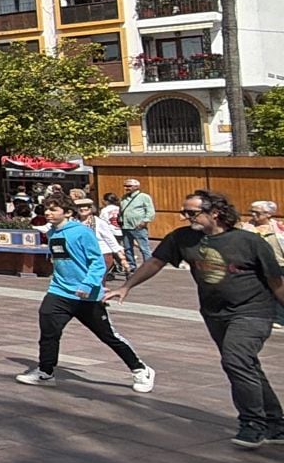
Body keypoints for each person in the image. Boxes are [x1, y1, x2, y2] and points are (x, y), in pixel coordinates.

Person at [109, 190, 284, 449]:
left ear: (215, 213)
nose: (185, 217)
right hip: (214, 313)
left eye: (192, 213)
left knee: (236, 360)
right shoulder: (184, 238)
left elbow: (275, 282)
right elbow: (155, 262)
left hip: (252, 311)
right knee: (246, 365)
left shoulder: (249, 241)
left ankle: (252, 424)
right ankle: (276, 425)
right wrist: (127, 286)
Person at [15, 195, 154, 390]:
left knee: (108, 335)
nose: (48, 213)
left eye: (54, 209)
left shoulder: (82, 232)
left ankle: (140, 369)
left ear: (68, 212)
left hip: (86, 296)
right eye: (46, 209)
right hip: (59, 292)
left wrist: (88, 285)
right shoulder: (53, 233)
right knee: (49, 332)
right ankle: (45, 372)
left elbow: (97, 262)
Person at [243, 200, 284, 331]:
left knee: (279, 291)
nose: (253, 215)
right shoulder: (245, 228)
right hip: (256, 265)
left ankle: (280, 318)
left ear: (268, 214)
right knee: (260, 291)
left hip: (279, 263)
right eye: (251, 212)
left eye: (257, 212)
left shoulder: (279, 227)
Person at [117, 179, 156, 271]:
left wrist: (145, 221)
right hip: (125, 226)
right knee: (127, 247)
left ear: (136, 187)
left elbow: (150, 211)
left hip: (138, 226)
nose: (127, 188)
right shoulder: (124, 197)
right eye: (125, 186)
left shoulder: (144, 197)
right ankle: (131, 265)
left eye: (129, 186)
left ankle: (148, 266)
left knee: (143, 247)